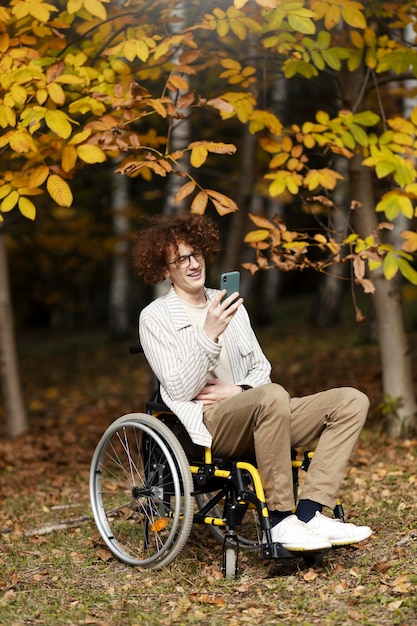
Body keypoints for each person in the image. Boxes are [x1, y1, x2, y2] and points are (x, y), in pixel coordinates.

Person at [133, 213, 373, 552]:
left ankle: (309, 514)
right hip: (211, 423)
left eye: (196, 254)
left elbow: (261, 369)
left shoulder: (230, 304)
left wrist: (241, 390)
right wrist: (209, 334)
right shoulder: (155, 318)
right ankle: (279, 521)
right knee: (271, 396)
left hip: (260, 408)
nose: (192, 264)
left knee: (351, 401)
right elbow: (178, 389)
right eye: (181, 259)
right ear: (164, 269)